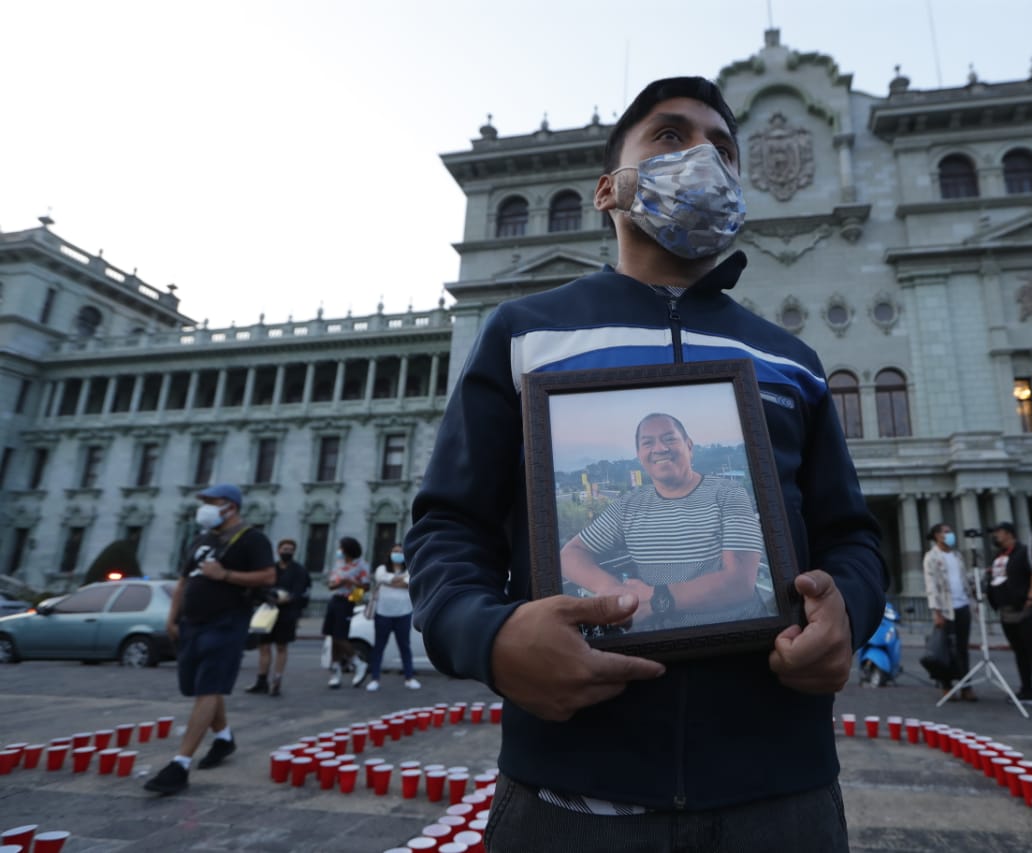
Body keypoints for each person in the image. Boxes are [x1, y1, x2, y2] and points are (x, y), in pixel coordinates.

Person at [407, 76, 886, 852]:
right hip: (567, 793)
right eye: (669, 136)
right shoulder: (524, 335)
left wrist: (849, 612)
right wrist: (489, 636)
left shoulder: (789, 359)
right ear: (609, 189)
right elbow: (450, 524)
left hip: (781, 792)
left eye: (723, 148)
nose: (703, 157)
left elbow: (850, 534)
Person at [559, 412, 765, 632]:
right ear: (639, 455)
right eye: (648, 443)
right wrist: (612, 588)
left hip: (734, 634)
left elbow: (740, 583)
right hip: (658, 640)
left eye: (670, 439)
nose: (659, 448)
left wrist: (656, 600)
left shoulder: (728, 493)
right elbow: (570, 554)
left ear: (689, 446)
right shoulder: (628, 505)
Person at [143, 484, 275, 795]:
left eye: (212, 502)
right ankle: (224, 738)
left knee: (209, 688)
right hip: (192, 623)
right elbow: (183, 581)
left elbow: (268, 576)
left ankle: (180, 764)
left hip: (227, 622)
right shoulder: (201, 540)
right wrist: (173, 617)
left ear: (230, 506)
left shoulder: (252, 539)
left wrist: (225, 575)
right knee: (199, 686)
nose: (205, 508)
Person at [985, 522, 1032, 711]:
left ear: (1009, 534)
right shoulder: (999, 556)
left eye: (998, 532)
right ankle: (1027, 690)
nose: (995, 536)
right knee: (1020, 652)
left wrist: (1031, 598)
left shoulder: (1025, 552)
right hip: (1006, 610)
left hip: (1025, 610)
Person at [245, 538, 311, 697]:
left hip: (287, 613)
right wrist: (267, 597)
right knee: (264, 646)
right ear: (278, 551)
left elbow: (300, 591)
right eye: (284, 549)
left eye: (290, 550)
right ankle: (261, 680)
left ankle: (277, 680)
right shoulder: (271, 569)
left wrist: (288, 599)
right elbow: (261, 587)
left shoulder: (299, 571)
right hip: (267, 611)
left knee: (281, 646)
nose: (287, 552)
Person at [922, 522, 977, 700]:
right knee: (946, 650)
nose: (950, 534)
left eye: (950, 531)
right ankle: (946, 685)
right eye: (946, 532)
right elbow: (931, 586)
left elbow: (963, 579)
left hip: (963, 606)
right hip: (946, 609)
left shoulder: (957, 555)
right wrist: (937, 612)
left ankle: (966, 685)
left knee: (962, 649)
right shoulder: (931, 557)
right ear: (937, 535)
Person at [365, 543, 421, 692]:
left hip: (403, 613)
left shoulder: (410, 569)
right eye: (395, 551)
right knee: (379, 647)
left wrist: (392, 581)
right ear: (390, 554)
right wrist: (401, 580)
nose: (398, 554)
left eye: (400, 552)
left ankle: (409, 678)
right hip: (383, 614)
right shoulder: (381, 568)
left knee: (405, 647)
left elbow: (409, 583)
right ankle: (375, 679)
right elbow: (383, 579)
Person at [323, 536, 370, 688]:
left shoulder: (361, 565)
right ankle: (335, 671)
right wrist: (339, 583)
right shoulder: (339, 563)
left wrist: (351, 582)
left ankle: (358, 662)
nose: (339, 551)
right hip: (335, 599)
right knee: (333, 636)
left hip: (347, 601)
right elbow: (331, 585)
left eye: (341, 548)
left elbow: (366, 586)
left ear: (348, 549)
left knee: (340, 637)